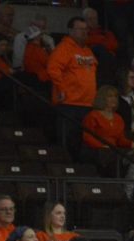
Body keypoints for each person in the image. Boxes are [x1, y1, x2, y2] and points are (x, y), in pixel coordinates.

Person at [47, 17, 98, 154]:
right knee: (68, 143)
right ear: (70, 31)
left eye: (85, 29)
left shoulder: (88, 51)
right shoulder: (64, 48)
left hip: (87, 104)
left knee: (83, 143)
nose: (84, 32)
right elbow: (53, 69)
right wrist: (61, 89)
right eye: (80, 29)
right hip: (69, 103)